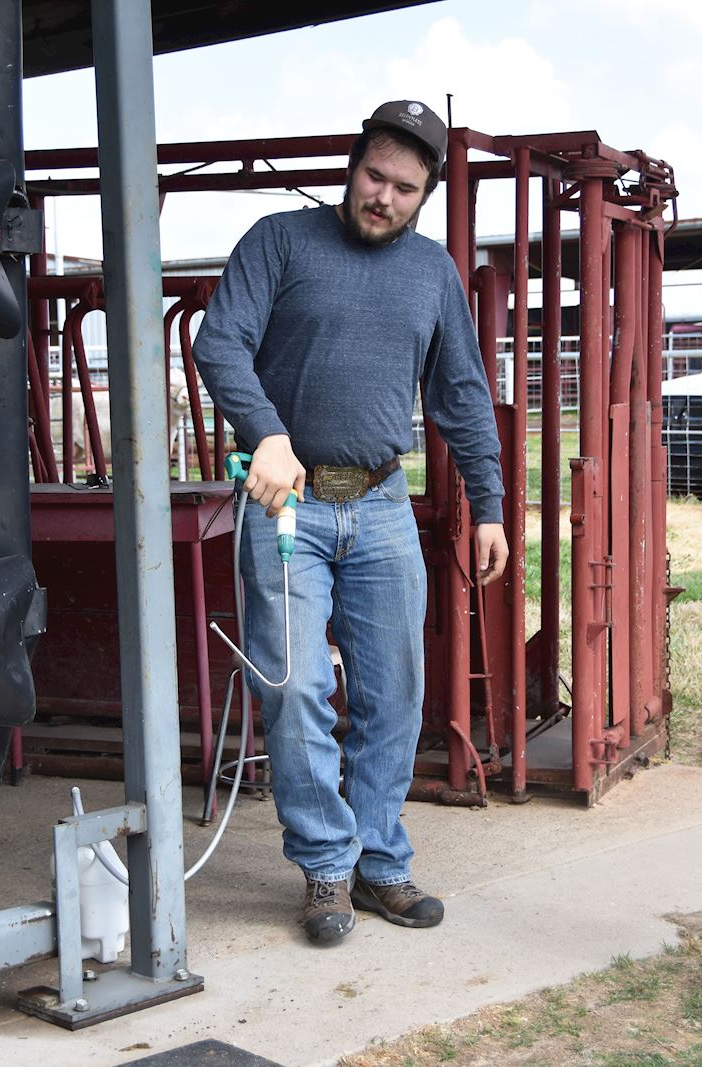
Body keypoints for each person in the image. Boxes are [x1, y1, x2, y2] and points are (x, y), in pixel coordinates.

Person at [191, 100, 509, 947]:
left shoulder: (433, 272)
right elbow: (219, 342)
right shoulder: (280, 241)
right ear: (352, 166)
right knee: (295, 682)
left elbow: (463, 393)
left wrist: (489, 502)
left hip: (380, 502)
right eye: (375, 176)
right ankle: (326, 862)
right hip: (285, 503)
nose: (385, 198)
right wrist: (267, 432)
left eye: (406, 188)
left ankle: (378, 860)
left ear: (425, 194)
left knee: (394, 690)